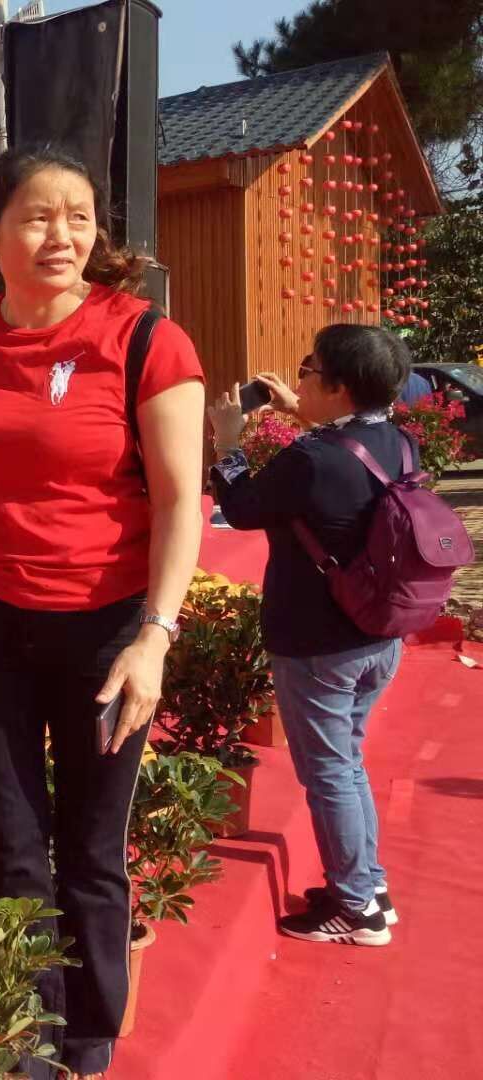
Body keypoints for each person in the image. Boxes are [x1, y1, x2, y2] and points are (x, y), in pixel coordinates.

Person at [0, 145, 206, 1079]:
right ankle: (25, 1044)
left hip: (108, 626)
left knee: (90, 845)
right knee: (6, 836)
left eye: (78, 216)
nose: (60, 234)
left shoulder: (146, 339)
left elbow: (182, 500)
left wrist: (157, 635)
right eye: (36, 216)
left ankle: (89, 1036)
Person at [207, 325, 418, 947]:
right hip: (380, 634)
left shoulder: (310, 458)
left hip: (318, 644)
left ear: (338, 386)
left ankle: (357, 908)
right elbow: (341, 473)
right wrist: (305, 414)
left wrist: (226, 440)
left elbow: (241, 508)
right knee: (346, 765)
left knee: (329, 772)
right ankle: (368, 886)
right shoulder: (400, 443)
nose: (297, 379)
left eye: (308, 369)